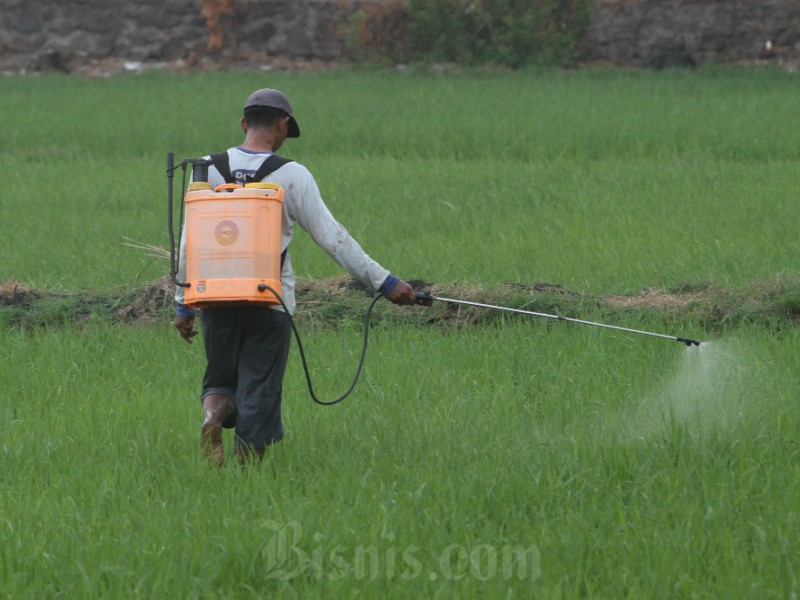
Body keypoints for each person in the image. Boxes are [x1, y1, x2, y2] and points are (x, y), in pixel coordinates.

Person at [174, 88, 417, 466]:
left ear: (243, 124)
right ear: (282, 125)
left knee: (220, 379)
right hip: (269, 300)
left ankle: (212, 418)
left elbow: (190, 241)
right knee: (259, 390)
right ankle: (247, 481)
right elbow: (334, 238)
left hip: (213, 296)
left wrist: (182, 304)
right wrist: (385, 283)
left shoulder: (206, 167)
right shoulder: (292, 175)